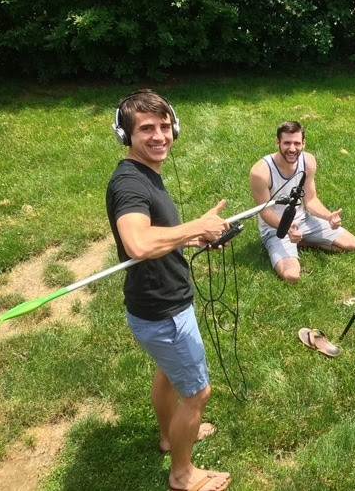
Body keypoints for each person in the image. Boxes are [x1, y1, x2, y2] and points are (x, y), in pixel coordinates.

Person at [106, 89, 231, 491]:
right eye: (146, 129)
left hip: (153, 305)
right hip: (164, 312)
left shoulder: (144, 174)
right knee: (197, 393)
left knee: (167, 372)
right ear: (125, 135)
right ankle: (182, 474)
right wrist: (196, 226)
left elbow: (155, 236)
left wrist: (188, 237)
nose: (159, 136)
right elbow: (138, 243)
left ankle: (168, 436)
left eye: (164, 126)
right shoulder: (129, 184)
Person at [249, 120, 355, 282]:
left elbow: (311, 199)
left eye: (297, 143)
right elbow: (265, 212)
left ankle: (302, 241)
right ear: (277, 142)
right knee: (291, 275)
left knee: (351, 244)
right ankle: (287, 243)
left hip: (303, 221)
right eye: (287, 143)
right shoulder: (260, 172)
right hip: (275, 229)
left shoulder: (308, 161)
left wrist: (328, 216)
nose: (292, 149)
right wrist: (288, 229)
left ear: (304, 143)